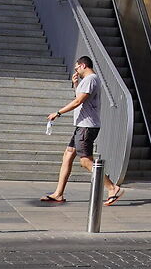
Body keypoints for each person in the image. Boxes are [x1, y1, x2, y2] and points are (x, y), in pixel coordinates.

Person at [41, 55, 124, 205]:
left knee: (86, 161)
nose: (76, 71)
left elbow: (79, 101)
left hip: (87, 126)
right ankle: (58, 193)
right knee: (68, 155)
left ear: (83, 65)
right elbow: (80, 98)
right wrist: (75, 84)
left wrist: (58, 113)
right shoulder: (87, 81)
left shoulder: (91, 79)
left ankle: (112, 188)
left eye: (77, 68)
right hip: (82, 126)